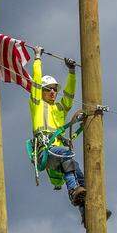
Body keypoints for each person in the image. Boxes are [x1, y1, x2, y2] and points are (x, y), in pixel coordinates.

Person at [29, 52, 87, 208]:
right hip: (45, 151)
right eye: (48, 89)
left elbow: (68, 95)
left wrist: (72, 72)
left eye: (54, 89)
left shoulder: (59, 109)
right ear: (41, 91)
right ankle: (73, 190)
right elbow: (35, 83)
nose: (53, 92)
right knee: (67, 155)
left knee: (81, 176)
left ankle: (86, 212)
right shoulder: (37, 105)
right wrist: (37, 59)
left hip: (58, 151)